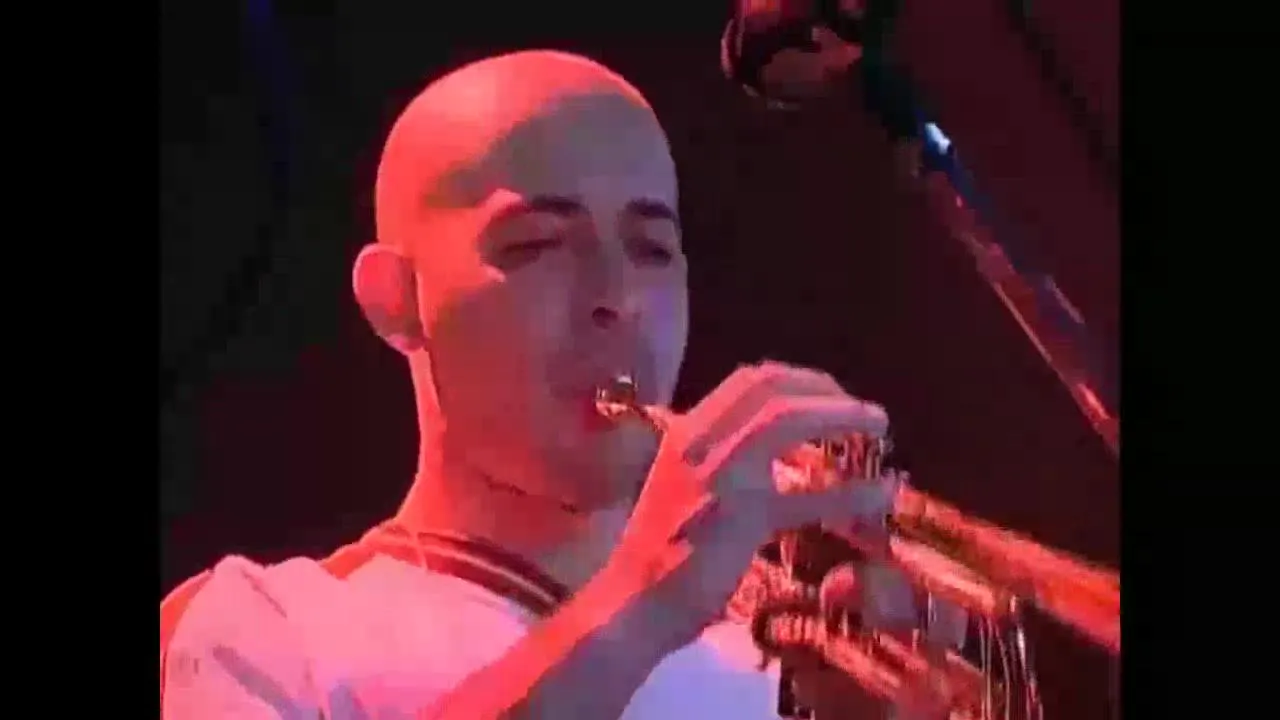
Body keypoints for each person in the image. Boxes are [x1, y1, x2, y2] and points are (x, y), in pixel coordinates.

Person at [160, 49, 959, 719]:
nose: (618, 296)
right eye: (539, 243)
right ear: (395, 300)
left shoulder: (766, 663)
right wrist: (643, 600)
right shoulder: (264, 629)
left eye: (651, 249)